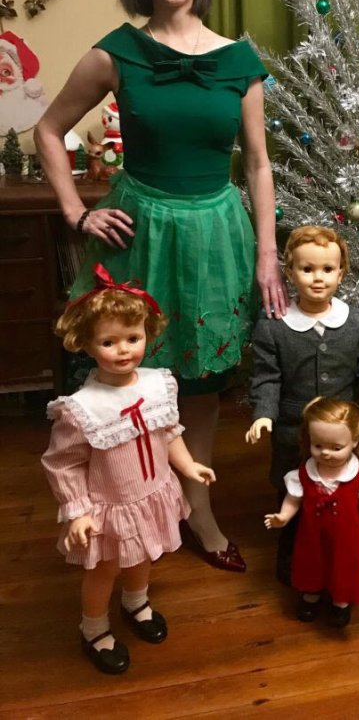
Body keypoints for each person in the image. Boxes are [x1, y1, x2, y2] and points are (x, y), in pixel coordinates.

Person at [35, 0, 288, 573]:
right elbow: (49, 131)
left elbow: (258, 164)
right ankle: (125, 507)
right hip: (139, 235)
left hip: (216, 236)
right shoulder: (116, 53)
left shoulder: (240, 60)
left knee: (200, 387)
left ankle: (196, 508)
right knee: (129, 378)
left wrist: (267, 252)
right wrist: (76, 212)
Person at [41, 266, 216, 674]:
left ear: (147, 335)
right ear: (86, 344)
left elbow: (168, 431)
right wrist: (77, 511)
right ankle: (94, 628)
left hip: (151, 493)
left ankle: (136, 602)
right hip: (110, 505)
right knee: (105, 569)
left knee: (143, 556)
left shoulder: (158, 385)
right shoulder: (83, 408)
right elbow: (62, 462)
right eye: (108, 342)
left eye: (132, 338)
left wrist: (188, 465)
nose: (123, 350)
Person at [245, 225, 359, 582]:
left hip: (342, 433)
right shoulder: (274, 325)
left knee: (343, 498)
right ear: (290, 272)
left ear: (341, 273)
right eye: (307, 269)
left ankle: (341, 561)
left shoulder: (356, 321)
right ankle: (292, 562)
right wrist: (264, 414)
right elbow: (267, 377)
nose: (318, 278)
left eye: (327, 269)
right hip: (293, 432)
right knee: (291, 492)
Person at [264, 396, 359, 628]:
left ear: (355, 441)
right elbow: (293, 498)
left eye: (336, 448)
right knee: (313, 564)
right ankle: (311, 594)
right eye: (318, 446)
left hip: (346, 538)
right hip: (312, 536)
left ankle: (340, 601)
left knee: (343, 567)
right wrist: (283, 516)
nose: (326, 453)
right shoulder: (304, 474)